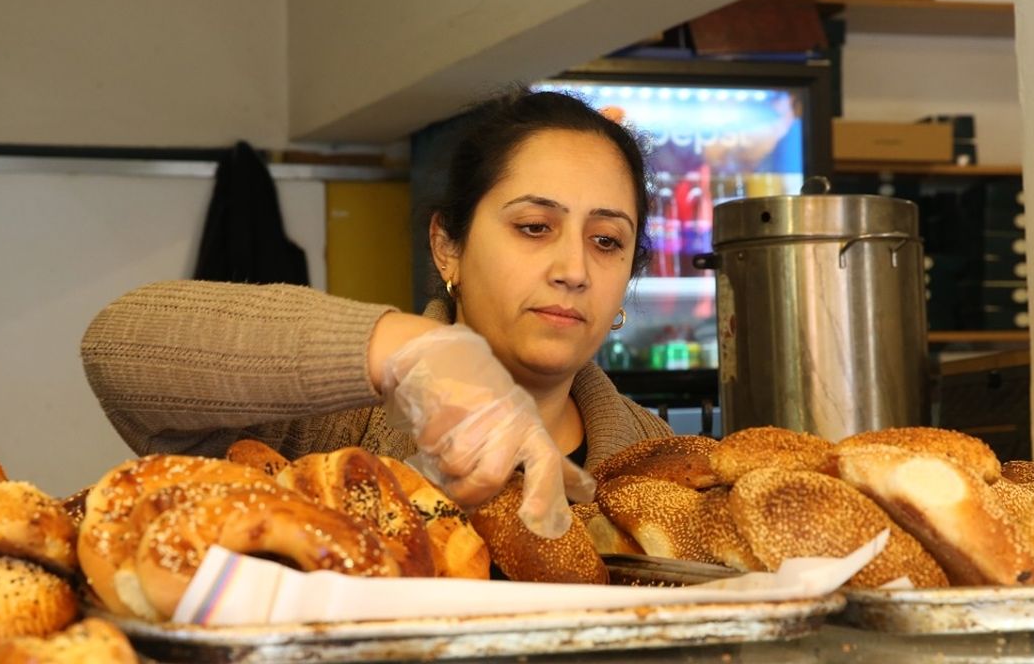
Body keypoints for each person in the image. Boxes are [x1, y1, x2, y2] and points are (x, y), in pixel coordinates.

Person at [80, 88, 673, 539]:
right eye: (534, 227)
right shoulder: (336, 424)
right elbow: (118, 347)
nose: (573, 268)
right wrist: (408, 351)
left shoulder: (662, 464)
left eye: (606, 241)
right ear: (448, 247)